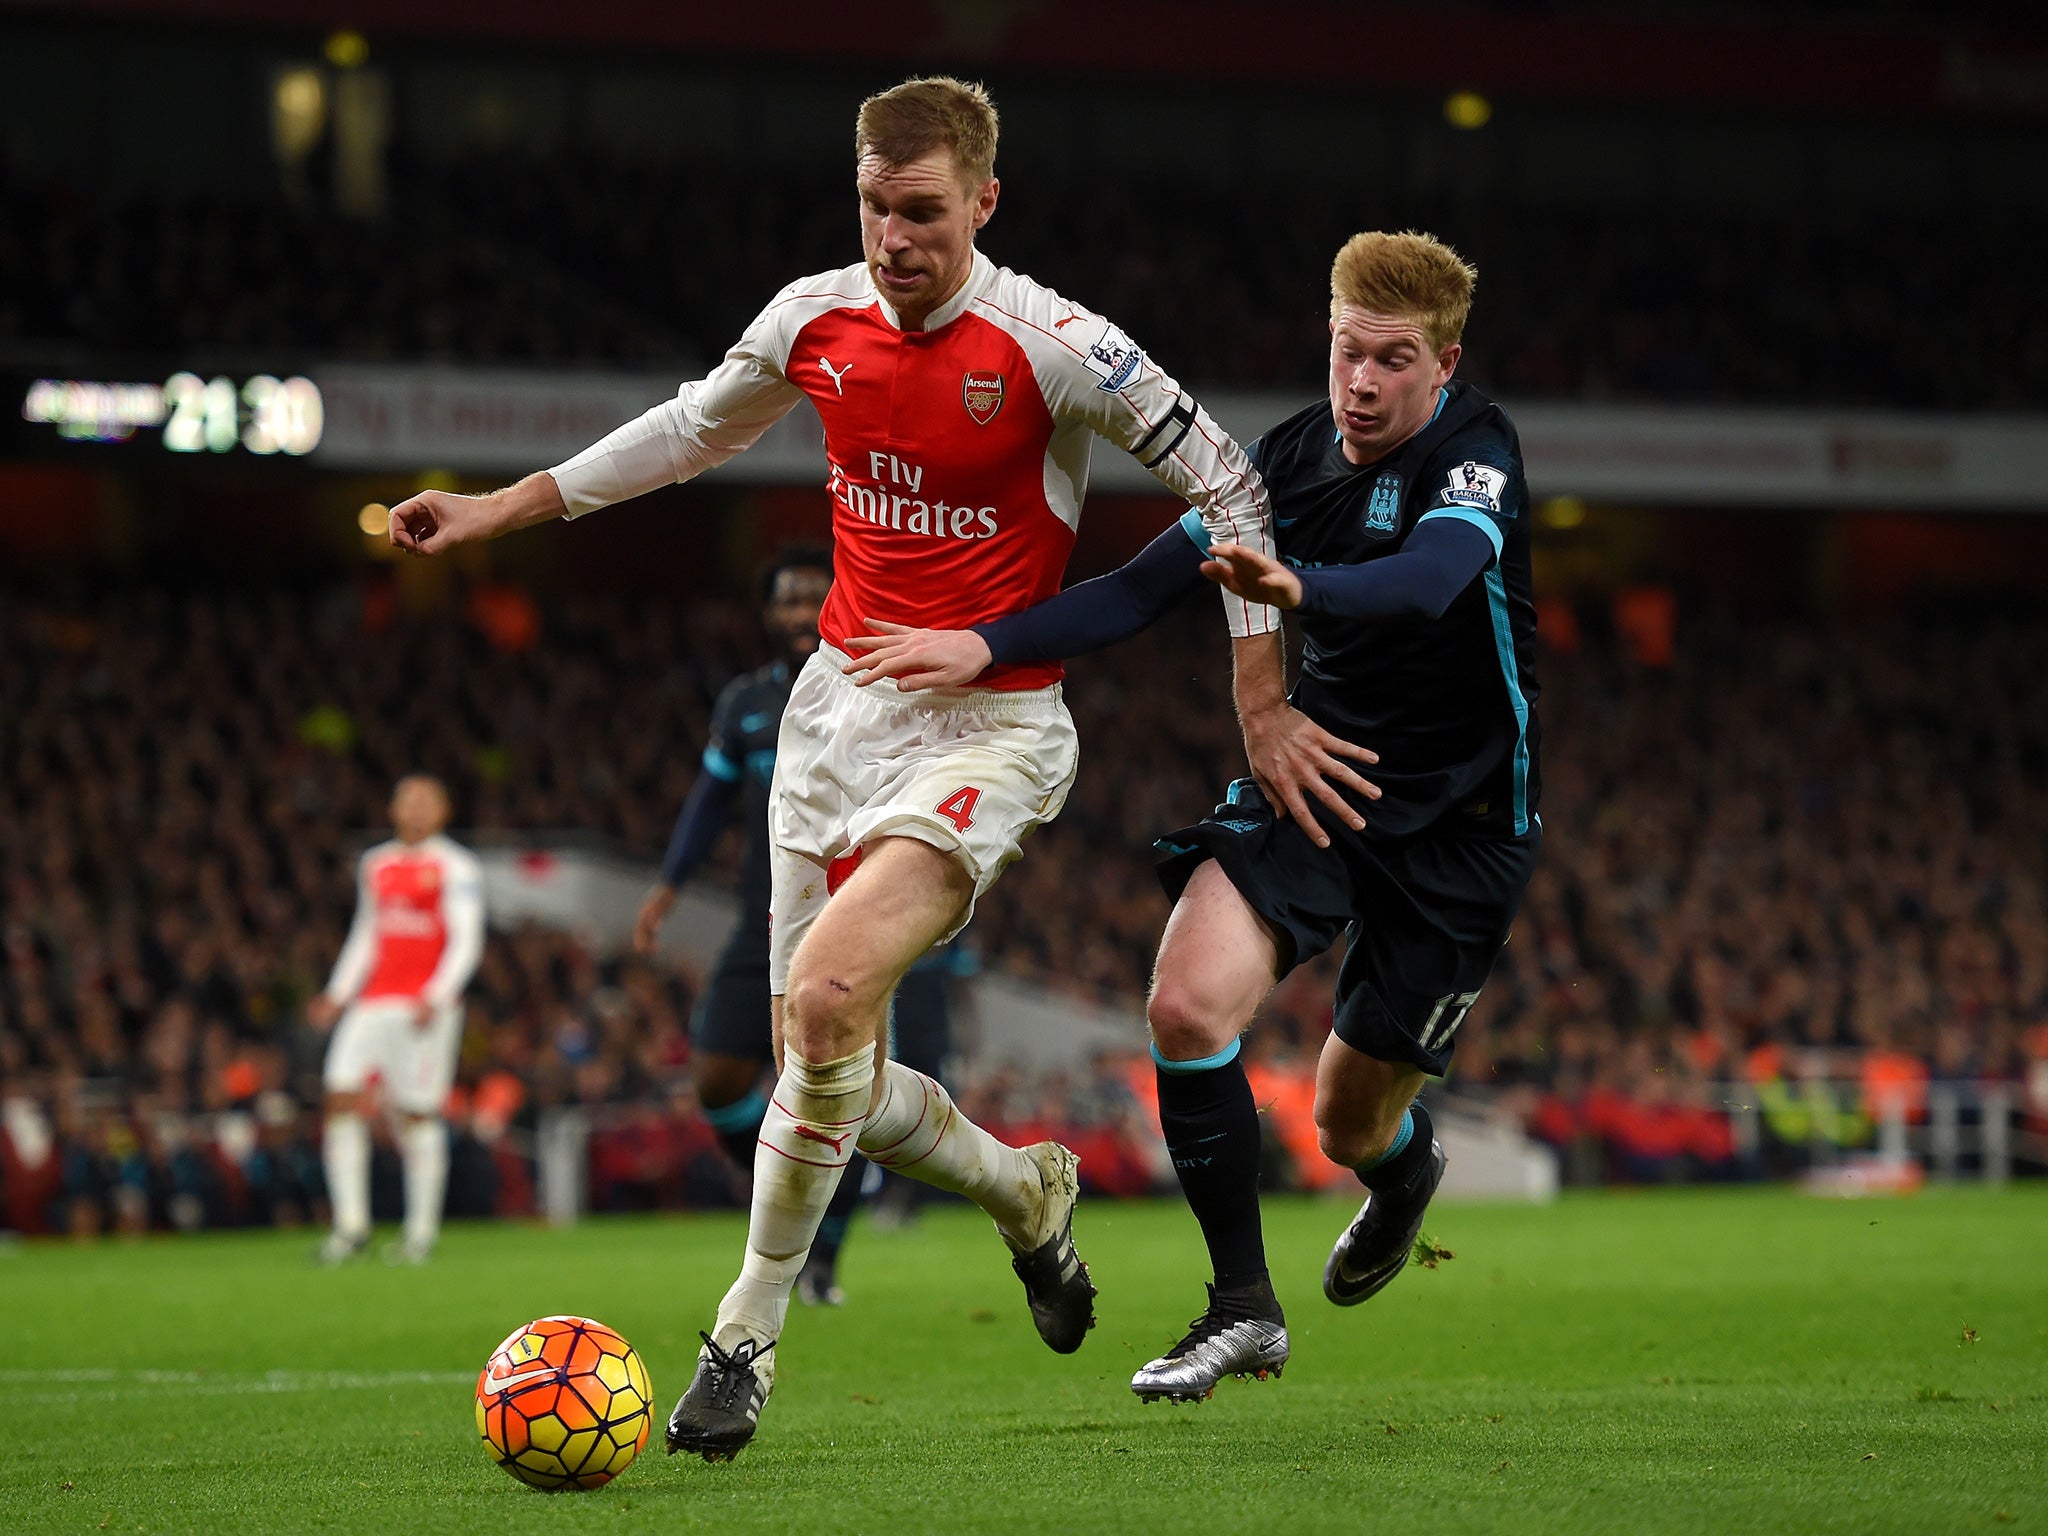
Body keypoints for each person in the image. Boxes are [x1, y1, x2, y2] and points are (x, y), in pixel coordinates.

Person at [383, 77, 1364, 1460]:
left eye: (921, 211)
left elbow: (1237, 489)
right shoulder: (811, 316)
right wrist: (500, 506)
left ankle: (743, 1336)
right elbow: (686, 429)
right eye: (873, 206)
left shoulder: (1059, 344)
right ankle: (1024, 1195)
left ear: (981, 202)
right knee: (820, 1056)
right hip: (832, 714)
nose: (894, 238)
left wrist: (1260, 699)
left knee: (830, 993)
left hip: (993, 728)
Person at [846, 230, 1541, 1402]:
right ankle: (1241, 1310)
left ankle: (1402, 1174)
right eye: (1344, 353)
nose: (1360, 384)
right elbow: (1134, 592)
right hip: (1325, 776)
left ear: (1443, 363)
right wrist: (983, 642)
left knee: (1346, 1122)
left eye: (1391, 360)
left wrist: (1299, 588)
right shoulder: (1279, 465)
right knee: (1182, 1001)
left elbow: (1429, 581)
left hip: (1465, 825)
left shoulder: (1477, 454)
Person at [633, 545, 956, 1306]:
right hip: (763, 920)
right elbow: (711, 802)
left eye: (814, 596)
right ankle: (783, 1176)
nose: (797, 612)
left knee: (827, 1095)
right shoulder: (746, 704)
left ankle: (824, 1259)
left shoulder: (886, 690)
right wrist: (669, 886)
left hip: (851, 922)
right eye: (785, 599)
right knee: (716, 1079)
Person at [308, 774, 484, 1266]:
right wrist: (338, 993)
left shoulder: (456, 866)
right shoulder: (377, 864)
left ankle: (419, 1235)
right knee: (340, 1096)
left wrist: (439, 992)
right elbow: (367, 932)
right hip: (373, 999)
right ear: (393, 809)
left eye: (427, 801)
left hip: (422, 1007)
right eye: (408, 800)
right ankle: (351, 1228)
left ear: (444, 811)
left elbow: (466, 937)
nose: (416, 809)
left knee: (416, 1113)